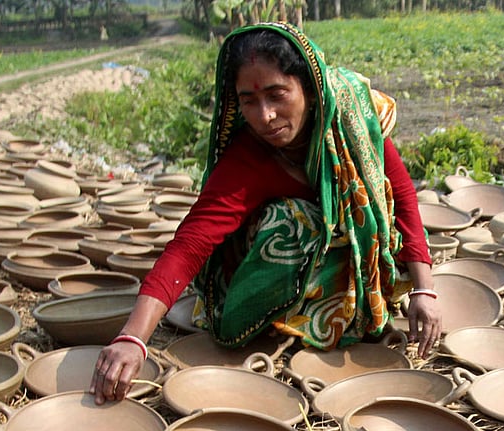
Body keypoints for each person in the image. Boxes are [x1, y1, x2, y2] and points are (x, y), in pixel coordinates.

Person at [90, 22, 441, 404]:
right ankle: (292, 318)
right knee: (291, 222)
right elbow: (191, 244)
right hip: (278, 263)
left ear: (309, 88)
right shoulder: (248, 159)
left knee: (367, 212)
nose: (266, 116)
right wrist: (133, 337)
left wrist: (423, 289)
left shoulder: (353, 117)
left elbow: (402, 194)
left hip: (348, 260)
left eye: (277, 95)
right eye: (249, 101)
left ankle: (349, 310)